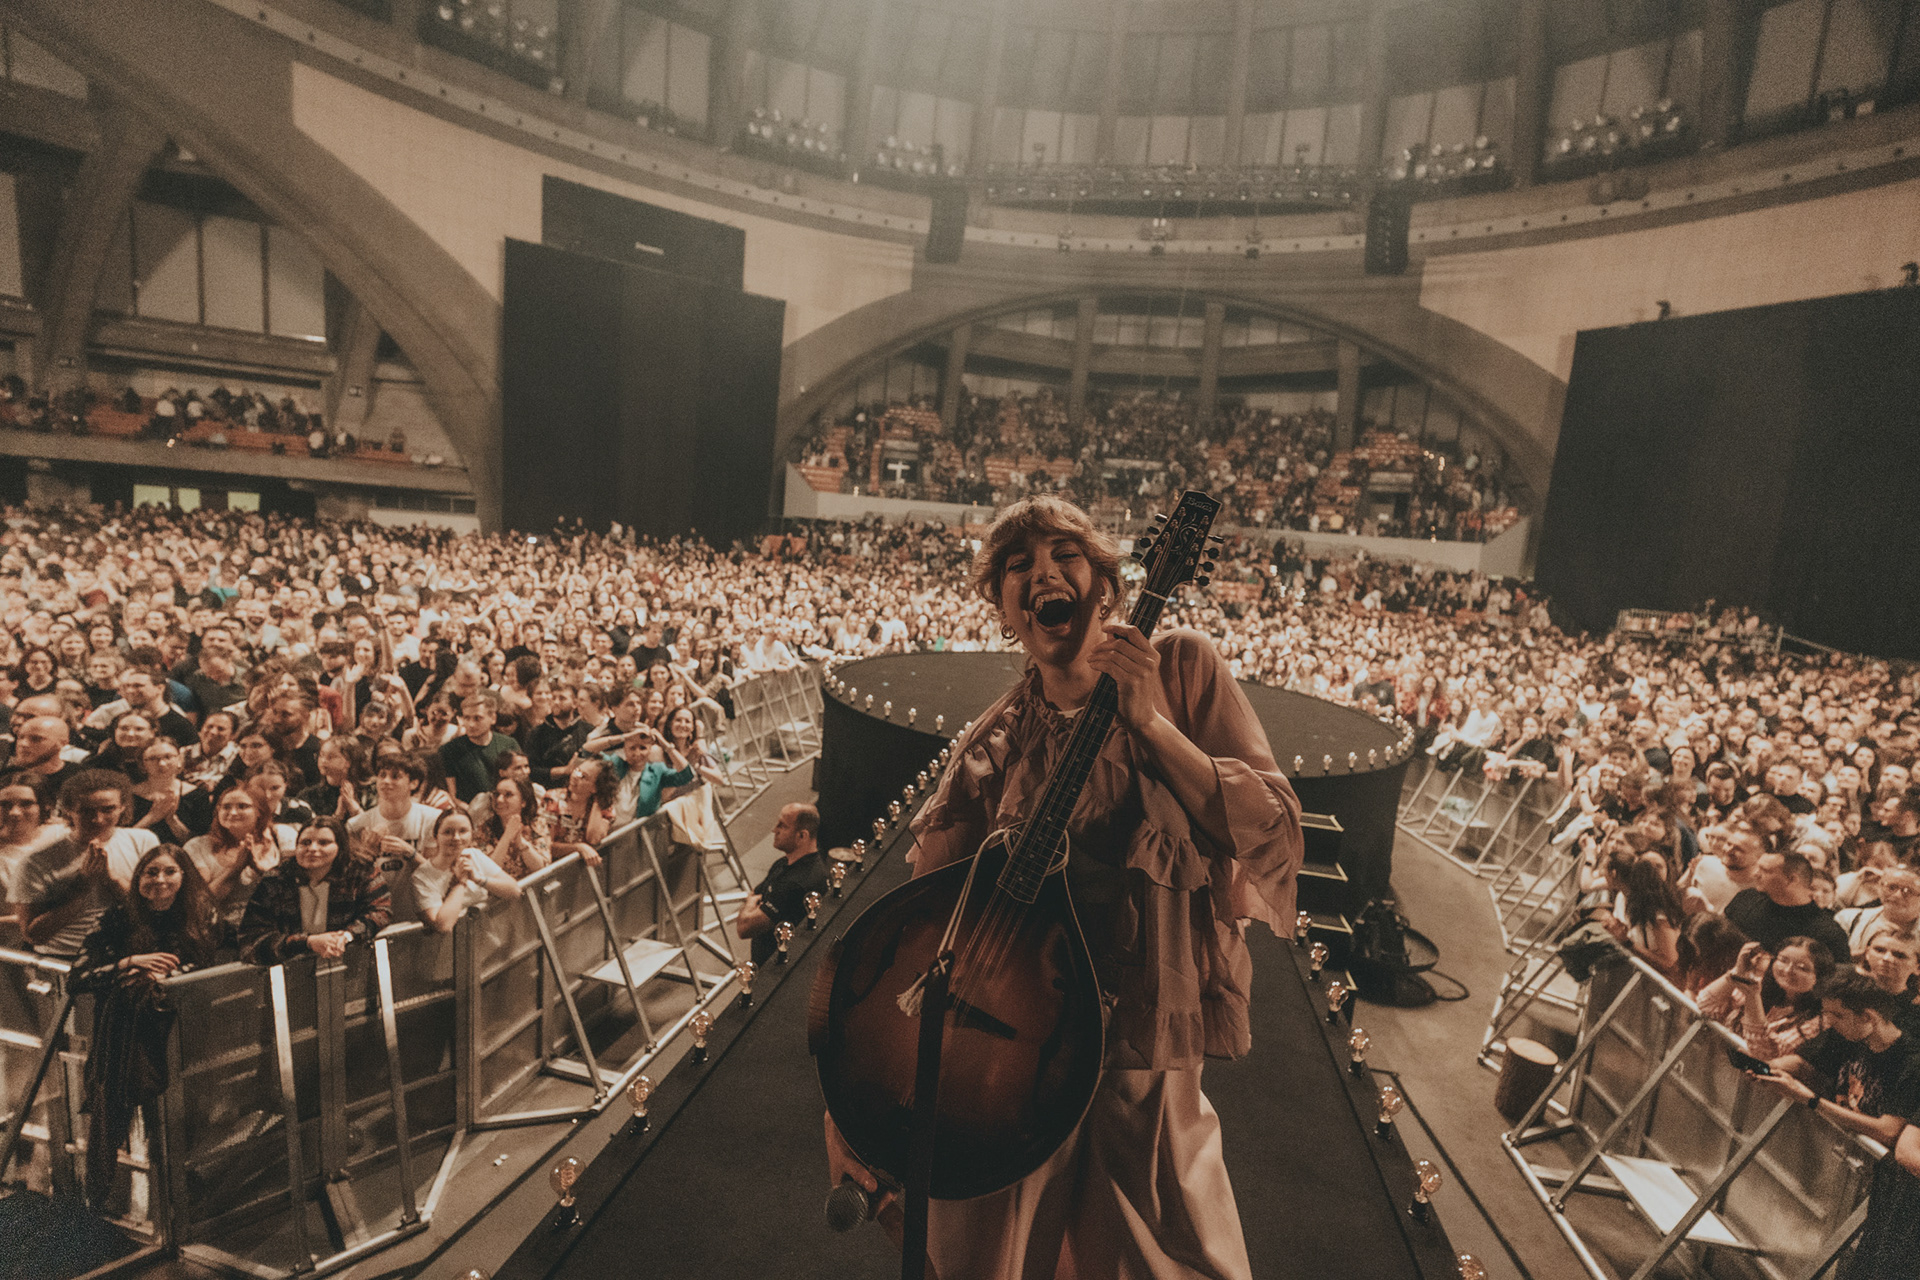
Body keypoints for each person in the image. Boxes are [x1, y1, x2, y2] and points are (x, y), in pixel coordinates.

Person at [826, 495, 1303, 1278]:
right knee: (984, 1264)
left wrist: (1151, 724)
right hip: (1013, 1066)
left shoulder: (1182, 669)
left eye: (1065, 555)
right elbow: (913, 937)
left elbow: (1274, 832)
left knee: (1173, 1263)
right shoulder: (993, 745)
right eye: (1019, 565)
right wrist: (849, 1102)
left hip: (1141, 1055)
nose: (1043, 572)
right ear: (1005, 610)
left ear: (1107, 585)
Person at [72, 844, 231, 1206]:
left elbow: (214, 958)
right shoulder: (117, 918)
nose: (160, 880)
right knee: (117, 1114)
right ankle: (106, 1199)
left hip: (188, 1031)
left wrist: (170, 976)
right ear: (138, 878)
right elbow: (78, 977)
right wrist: (130, 962)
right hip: (127, 1038)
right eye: (151, 872)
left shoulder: (202, 916)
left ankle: (179, 1195)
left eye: (169, 871)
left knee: (186, 1112)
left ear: (184, 876)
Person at [1760, 969, 1920, 1147]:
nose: (1831, 1021)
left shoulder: (1911, 1062)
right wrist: (1768, 1069)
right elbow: (1808, 1068)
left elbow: (1888, 1131)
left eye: (1838, 1015)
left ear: (1867, 1017)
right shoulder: (1849, 1037)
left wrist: (1810, 1099)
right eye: (1827, 1013)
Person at [11, 771, 159, 956]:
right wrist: (82, 887)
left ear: (123, 807)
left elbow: (155, 909)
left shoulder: (143, 841)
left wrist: (112, 880)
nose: (98, 819)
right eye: (86, 811)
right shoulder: (36, 861)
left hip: (127, 954)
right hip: (64, 958)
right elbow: (33, 935)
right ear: (68, 809)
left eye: (108, 809)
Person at [238, 816, 391, 963]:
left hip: (347, 961)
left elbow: (381, 911)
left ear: (341, 848)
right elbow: (250, 940)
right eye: (305, 843)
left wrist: (347, 936)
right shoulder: (275, 880)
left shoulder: (361, 872)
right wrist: (307, 942)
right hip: (292, 968)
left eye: (323, 843)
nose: (312, 848)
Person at [1695, 937, 1835, 1060]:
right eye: (1783, 960)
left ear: (1820, 977)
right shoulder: (1761, 986)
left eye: (1802, 968)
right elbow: (1704, 1005)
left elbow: (1764, 1052)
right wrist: (1737, 972)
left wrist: (1753, 997)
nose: (1788, 970)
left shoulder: (1820, 1019)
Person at [734, 802, 827, 966]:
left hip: (775, 966)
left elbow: (744, 928)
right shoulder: (783, 863)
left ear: (802, 836)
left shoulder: (796, 883)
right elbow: (757, 892)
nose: (774, 830)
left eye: (782, 826)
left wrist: (750, 904)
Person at [184, 783, 283, 926]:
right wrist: (236, 868)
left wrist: (260, 871)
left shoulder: (280, 837)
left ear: (259, 812)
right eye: (226, 807)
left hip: (267, 926)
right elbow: (200, 903)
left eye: (242, 806)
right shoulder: (197, 847)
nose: (233, 812)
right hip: (218, 929)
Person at [1723, 850, 1851, 962]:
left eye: (1765, 870)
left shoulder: (1827, 932)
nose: (1755, 874)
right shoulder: (1745, 899)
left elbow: (1838, 978)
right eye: (1758, 868)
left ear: (1791, 879)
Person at [413, 808, 521, 932]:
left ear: (471, 834)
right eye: (448, 832)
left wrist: (478, 879)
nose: (456, 838)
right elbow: (444, 926)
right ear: (435, 837)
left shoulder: (474, 855)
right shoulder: (422, 876)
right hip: (449, 943)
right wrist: (460, 883)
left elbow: (515, 890)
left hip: (485, 936)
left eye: (463, 831)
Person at [437, 691, 517, 804]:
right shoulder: (449, 750)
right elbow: (452, 797)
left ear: (493, 718)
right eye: (466, 718)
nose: (471, 724)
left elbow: (520, 784)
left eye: (477, 718)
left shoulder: (509, 745)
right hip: (468, 809)